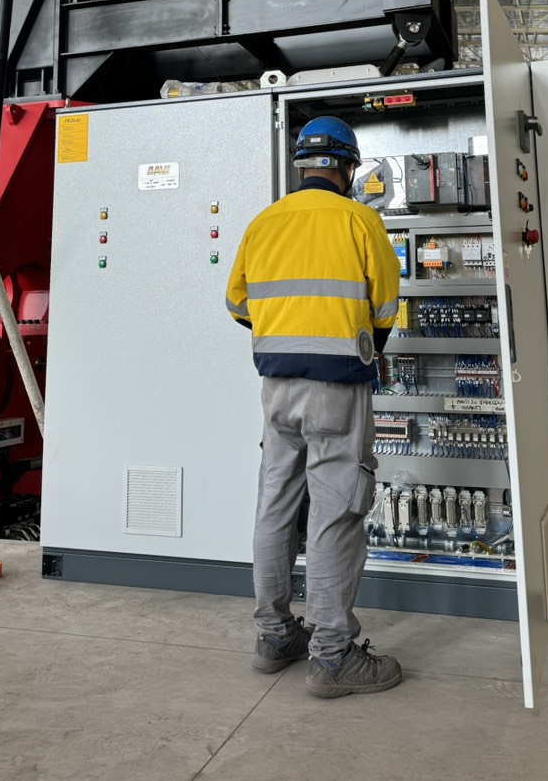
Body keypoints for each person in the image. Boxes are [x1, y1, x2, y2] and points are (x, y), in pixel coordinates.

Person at [226, 115, 403, 698]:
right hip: (338, 387)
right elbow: (385, 309)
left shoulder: (264, 221)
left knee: (276, 504)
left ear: (302, 165)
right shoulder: (360, 220)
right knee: (336, 510)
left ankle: (275, 636)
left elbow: (237, 304)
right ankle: (331, 658)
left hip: (276, 387)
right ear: (348, 167)